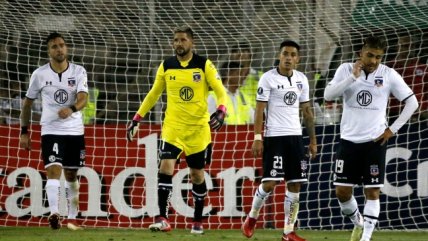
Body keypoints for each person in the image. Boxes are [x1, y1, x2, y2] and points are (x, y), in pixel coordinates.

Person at [126, 26, 227, 234]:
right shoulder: (166, 65)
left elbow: (220, 91)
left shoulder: (204, 65)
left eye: (182, 40)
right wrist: (137, 118)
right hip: (172, 128)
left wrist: (221, 110)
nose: (178, 44)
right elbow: (154, 94)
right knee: (165, 168)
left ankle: (197, 221)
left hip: (198, 130)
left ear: (192, 43)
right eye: (175, 40)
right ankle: (162, 218)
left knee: (197, 176)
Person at [324, 35, 418, 241]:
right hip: (348, 141)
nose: (374, 61)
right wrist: (352, 78)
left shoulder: (389, 74)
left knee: (373, 192)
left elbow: (412, 103)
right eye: (370, 55)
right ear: (360, 53)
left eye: (378, 57)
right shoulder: (345, 69)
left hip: (374, 142)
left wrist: (392, 129)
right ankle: (358, 222)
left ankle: (365, 238)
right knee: (341, 192)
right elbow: (328, 95)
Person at [241, 40, 317, 241]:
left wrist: (313, 140)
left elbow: (307, 111)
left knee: (295, 185)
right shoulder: (268, 78)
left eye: (293, 55)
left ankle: (288, 231)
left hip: (296, 138)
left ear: (297, 59)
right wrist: (257, 138)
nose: (288, 58)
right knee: (271, 182)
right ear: (279, 55)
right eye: (285, 54)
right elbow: (259, 110)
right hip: (275, 137)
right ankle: (252, 217)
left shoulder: (302, 79)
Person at [19, 32, 88, 231]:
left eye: (61, 45)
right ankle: (55, 213)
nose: (59, 49)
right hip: (51, 130)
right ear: (48, 51)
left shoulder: (79, 71)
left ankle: (73, 219)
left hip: (75, 131)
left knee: (72, 174)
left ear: (66, 48)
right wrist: (24, 131)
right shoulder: (39, 74)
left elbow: (83, 98)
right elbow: (27, 104)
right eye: (54, 46)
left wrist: (72, 109)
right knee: (53, 170)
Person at [387, 33, 428, 121]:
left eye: (412, 46)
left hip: (419, 116)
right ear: (398, 47)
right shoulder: (388, 68)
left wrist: (422, 109)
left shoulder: (424, 68)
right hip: (393, 115)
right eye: (405, 46)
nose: (409, 49)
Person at [229, 42, 263, 109]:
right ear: (230, 56)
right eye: (235, 51)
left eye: (243, 51)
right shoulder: (224, 77)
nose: (239, 54)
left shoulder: (261, 77)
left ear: (250, 55)